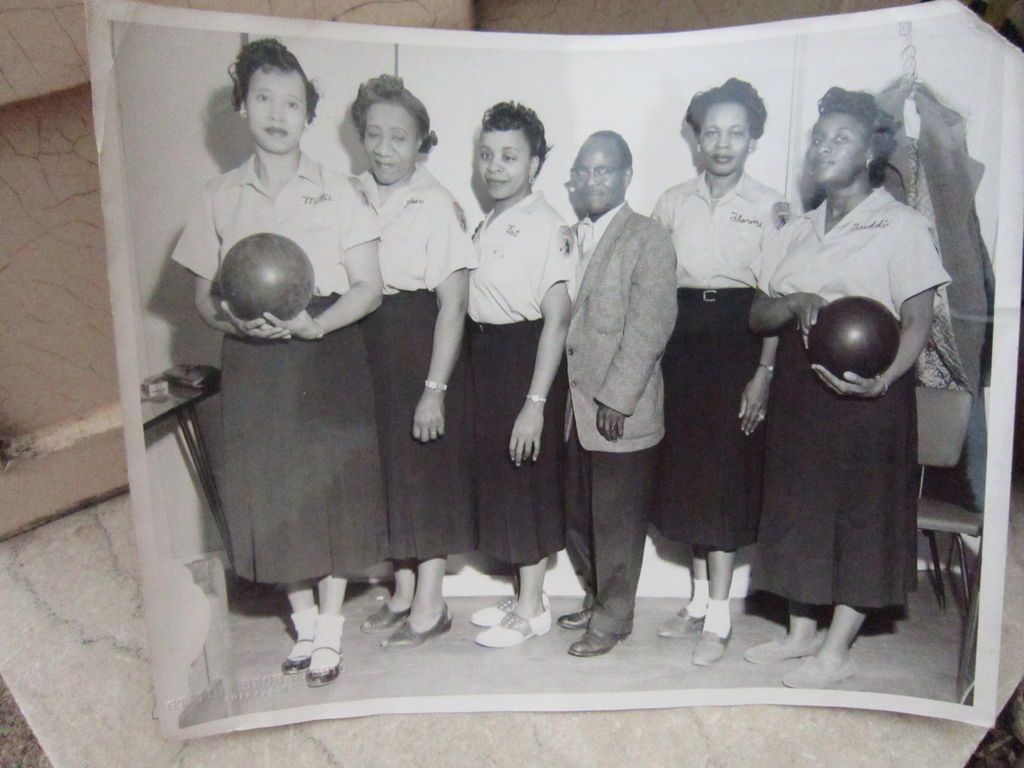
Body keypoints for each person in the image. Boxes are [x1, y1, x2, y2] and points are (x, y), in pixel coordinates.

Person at [171, 39, 387, 687]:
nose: (277, 112)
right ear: (241, 106)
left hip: (324, 351)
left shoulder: (341, 191)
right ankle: (302, 623)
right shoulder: (217, 196)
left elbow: (368, 287)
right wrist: (235, 320)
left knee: (329, 490)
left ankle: (331, 632)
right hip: (254, 360)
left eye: (292, 102)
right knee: (273, 491)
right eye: (263, 97)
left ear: (308, 115)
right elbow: (202, 298)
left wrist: (313, 321)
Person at [747, 87, 950, 688]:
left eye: (841, 139)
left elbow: (918, 319)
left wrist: (884, 381)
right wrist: (794, 301)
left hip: (869, 395)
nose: (824, 148)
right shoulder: (797, 228)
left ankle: (837, 651)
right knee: (800, 512)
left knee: (862, 521)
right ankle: (800, 634)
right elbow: (758, 314)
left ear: (868, 154)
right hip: (800, 393)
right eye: (818, 138)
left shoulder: (902, 225)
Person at [650, 78, 785, 666]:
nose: (722, 143)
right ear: (696, 137)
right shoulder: (673, 201)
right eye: (711, 132)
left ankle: (722, 620)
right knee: (689, 475)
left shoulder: (771, 207)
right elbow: (654, 285)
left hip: (740, 339)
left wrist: (764, 372)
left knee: (725, 478)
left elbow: (777, 295)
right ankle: (700, 601)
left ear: (753, 138)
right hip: (682, 345)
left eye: (735, 132)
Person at [349, 75, 478, 649]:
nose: (383, 148)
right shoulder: (350, 193)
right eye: (373, 134)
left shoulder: (437, 203)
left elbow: (454, 304)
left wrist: (435, 388)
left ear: (422, 142)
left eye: (398, 137)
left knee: (424, 474)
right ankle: (402, 591)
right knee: (389, 473)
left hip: (419, 343)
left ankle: (431, 603)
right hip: (367, 345)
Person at [557, 131, 678, 657]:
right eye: (583, 171)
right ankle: (596, 595)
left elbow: (651, 326)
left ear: (627, 175)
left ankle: (614, 617)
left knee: (617, 521)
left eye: (603, 170)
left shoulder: (647, 236)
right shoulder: (572, 235)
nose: (591, 181)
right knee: (579, 516)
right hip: (574, 407)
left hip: (618, 410)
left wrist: (618, 397)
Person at [465, 102, 574, 648]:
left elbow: (557, 321)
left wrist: (535, 403)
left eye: (510, 156)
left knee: (526, 478)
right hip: (487, 357)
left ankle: (532, 610)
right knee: (504, 479)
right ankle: (524, 593)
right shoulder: (491, 218)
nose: (495, 166)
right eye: (487, 154)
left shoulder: (547, 225)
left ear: (534, 163)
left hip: (525, 358)